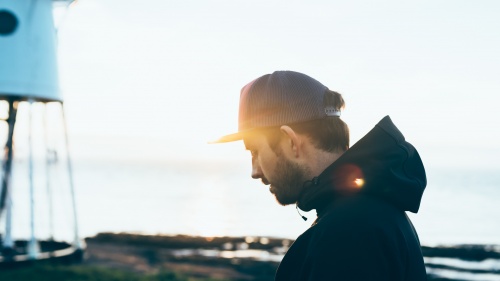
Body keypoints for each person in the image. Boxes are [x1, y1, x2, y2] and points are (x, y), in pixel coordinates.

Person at [212, 71, 427, 280]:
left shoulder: (347, 234)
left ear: (290, 141)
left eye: (255, 151)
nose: (255, 171)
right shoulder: (369, 214)